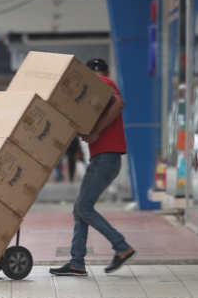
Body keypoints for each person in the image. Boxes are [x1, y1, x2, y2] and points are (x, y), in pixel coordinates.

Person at [49, 58, 135, 276]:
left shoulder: (104, 83)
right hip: (103, 159)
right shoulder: (96, 97)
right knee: (81, 209)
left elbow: (119, 103)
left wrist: (96, 131)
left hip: (105, 159)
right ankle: (76, 262)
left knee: (83, 208)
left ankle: (121, 246)